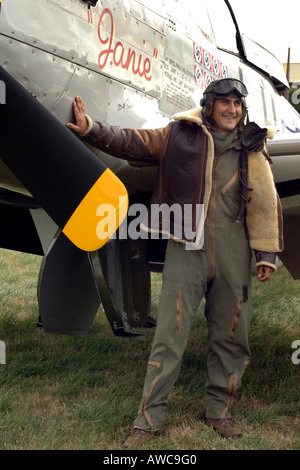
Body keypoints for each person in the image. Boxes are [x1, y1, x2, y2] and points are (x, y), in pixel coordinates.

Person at [66, 78, 283, 447]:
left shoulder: (252, 145)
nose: (233, 110)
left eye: (238, 104)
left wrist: (265, 254)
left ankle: (219, 412)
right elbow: (134, 141)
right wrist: (91, 129)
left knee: (233, 337)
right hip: (187, 248)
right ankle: (149, 420)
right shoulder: (180, 134)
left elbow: (264, 201)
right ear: (210, 105)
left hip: (235, 250)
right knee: (169, 337)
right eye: (226, 103)